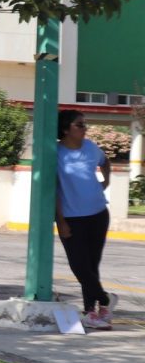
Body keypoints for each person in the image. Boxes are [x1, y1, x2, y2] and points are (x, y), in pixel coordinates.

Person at [55, 109, 114, 330]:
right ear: (65, 129)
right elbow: (54, 190)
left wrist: (105, 182)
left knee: (91, 265)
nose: (85, 128)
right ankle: (105, 300)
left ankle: (92, 312)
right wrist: (60, 221)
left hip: (98, 214)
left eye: (84, 124)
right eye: (79, 125)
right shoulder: (56, 153)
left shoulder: (90, 147)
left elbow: (105, 162)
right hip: (72, 218)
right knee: (79, 265)